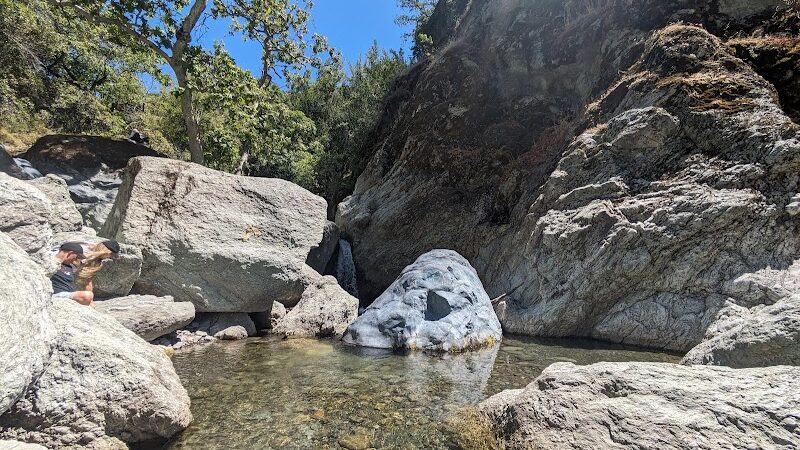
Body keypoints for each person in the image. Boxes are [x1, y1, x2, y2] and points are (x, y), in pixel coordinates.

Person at [51, 240, 121, 307]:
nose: (110, 258)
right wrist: (90, 301)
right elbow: (87, 279)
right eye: (111, 255)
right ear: (106, 252)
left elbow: (88, 277)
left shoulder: (92, 251)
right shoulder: (86, 253)